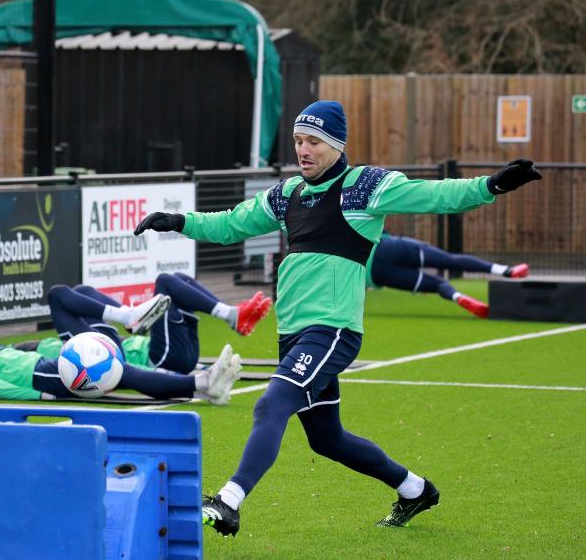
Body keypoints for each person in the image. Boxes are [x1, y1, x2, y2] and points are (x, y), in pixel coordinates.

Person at [134, 100, 542, 535]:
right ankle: (415, 489)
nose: (303, 150)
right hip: (294, 333)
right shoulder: (287, 193)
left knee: (271, 402)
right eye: (297, 141)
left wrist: (492, 185)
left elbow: (435, 195)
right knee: (328, 440)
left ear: (336, 144)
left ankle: (229, 500)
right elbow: (232, 224)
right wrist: (178, 220)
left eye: (313, 141)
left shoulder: (364, 186)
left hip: (333, 330)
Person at [0, 307, 241, 405]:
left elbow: (15, 353)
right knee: (118, 373)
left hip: (40, 366)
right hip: (34, 377)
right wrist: (38, 395)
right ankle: (200, 383)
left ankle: (198, 382)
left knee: (118, 368)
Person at [46, 272, 271, 376]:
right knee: (165, 281)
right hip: (164, 358)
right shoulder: (77, 346)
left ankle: (232, 316)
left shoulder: (95, 337)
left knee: (82, 291)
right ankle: (231, 315)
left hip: (174, 353)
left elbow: (79, 299)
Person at [368, 233, 529, 318]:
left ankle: (457, 296)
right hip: (388, 247)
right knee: (450, 260)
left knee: (438, 284)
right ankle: (506, 271)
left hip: (378, 274)